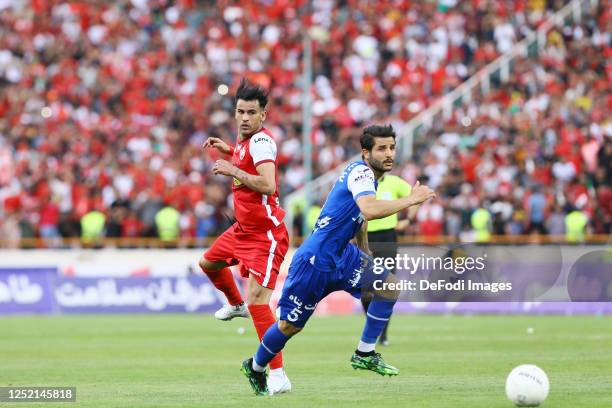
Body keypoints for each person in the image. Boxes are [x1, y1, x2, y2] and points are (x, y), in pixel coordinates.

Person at [240, 124, 436, 395]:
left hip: (345, 256)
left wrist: (365, 251)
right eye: (382, 148)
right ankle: (256, 366)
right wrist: (411, 200)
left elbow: (360, 217)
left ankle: (364, 353)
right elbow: (368, 209)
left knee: (389, 286)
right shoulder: (360, 172)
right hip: (315, 260)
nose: (389, 153)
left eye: (392, 147)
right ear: (365, 153)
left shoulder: (371, 178)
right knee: (290, 326)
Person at [200, 79, 291, 394]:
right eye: (240, 111)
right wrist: (230, 151)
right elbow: (243, 155)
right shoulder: (242, 140)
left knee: (259, 303)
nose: (244, 118)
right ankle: (234, 303)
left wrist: (233, 169)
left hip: (266, 235)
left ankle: (278, 375)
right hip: (242, 230)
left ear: (263, 115)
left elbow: (267, 184)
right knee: (208, 263)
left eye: (252, 112)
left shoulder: (261, 143)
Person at [363, 172, 416, 346]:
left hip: (387, 238)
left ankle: (382, 334)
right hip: (364, 236)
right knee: (365, 289)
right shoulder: (361, 183)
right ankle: (373, 326)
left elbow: (416, 197)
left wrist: (408, 219)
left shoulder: (394, 182)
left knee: (386, 285)